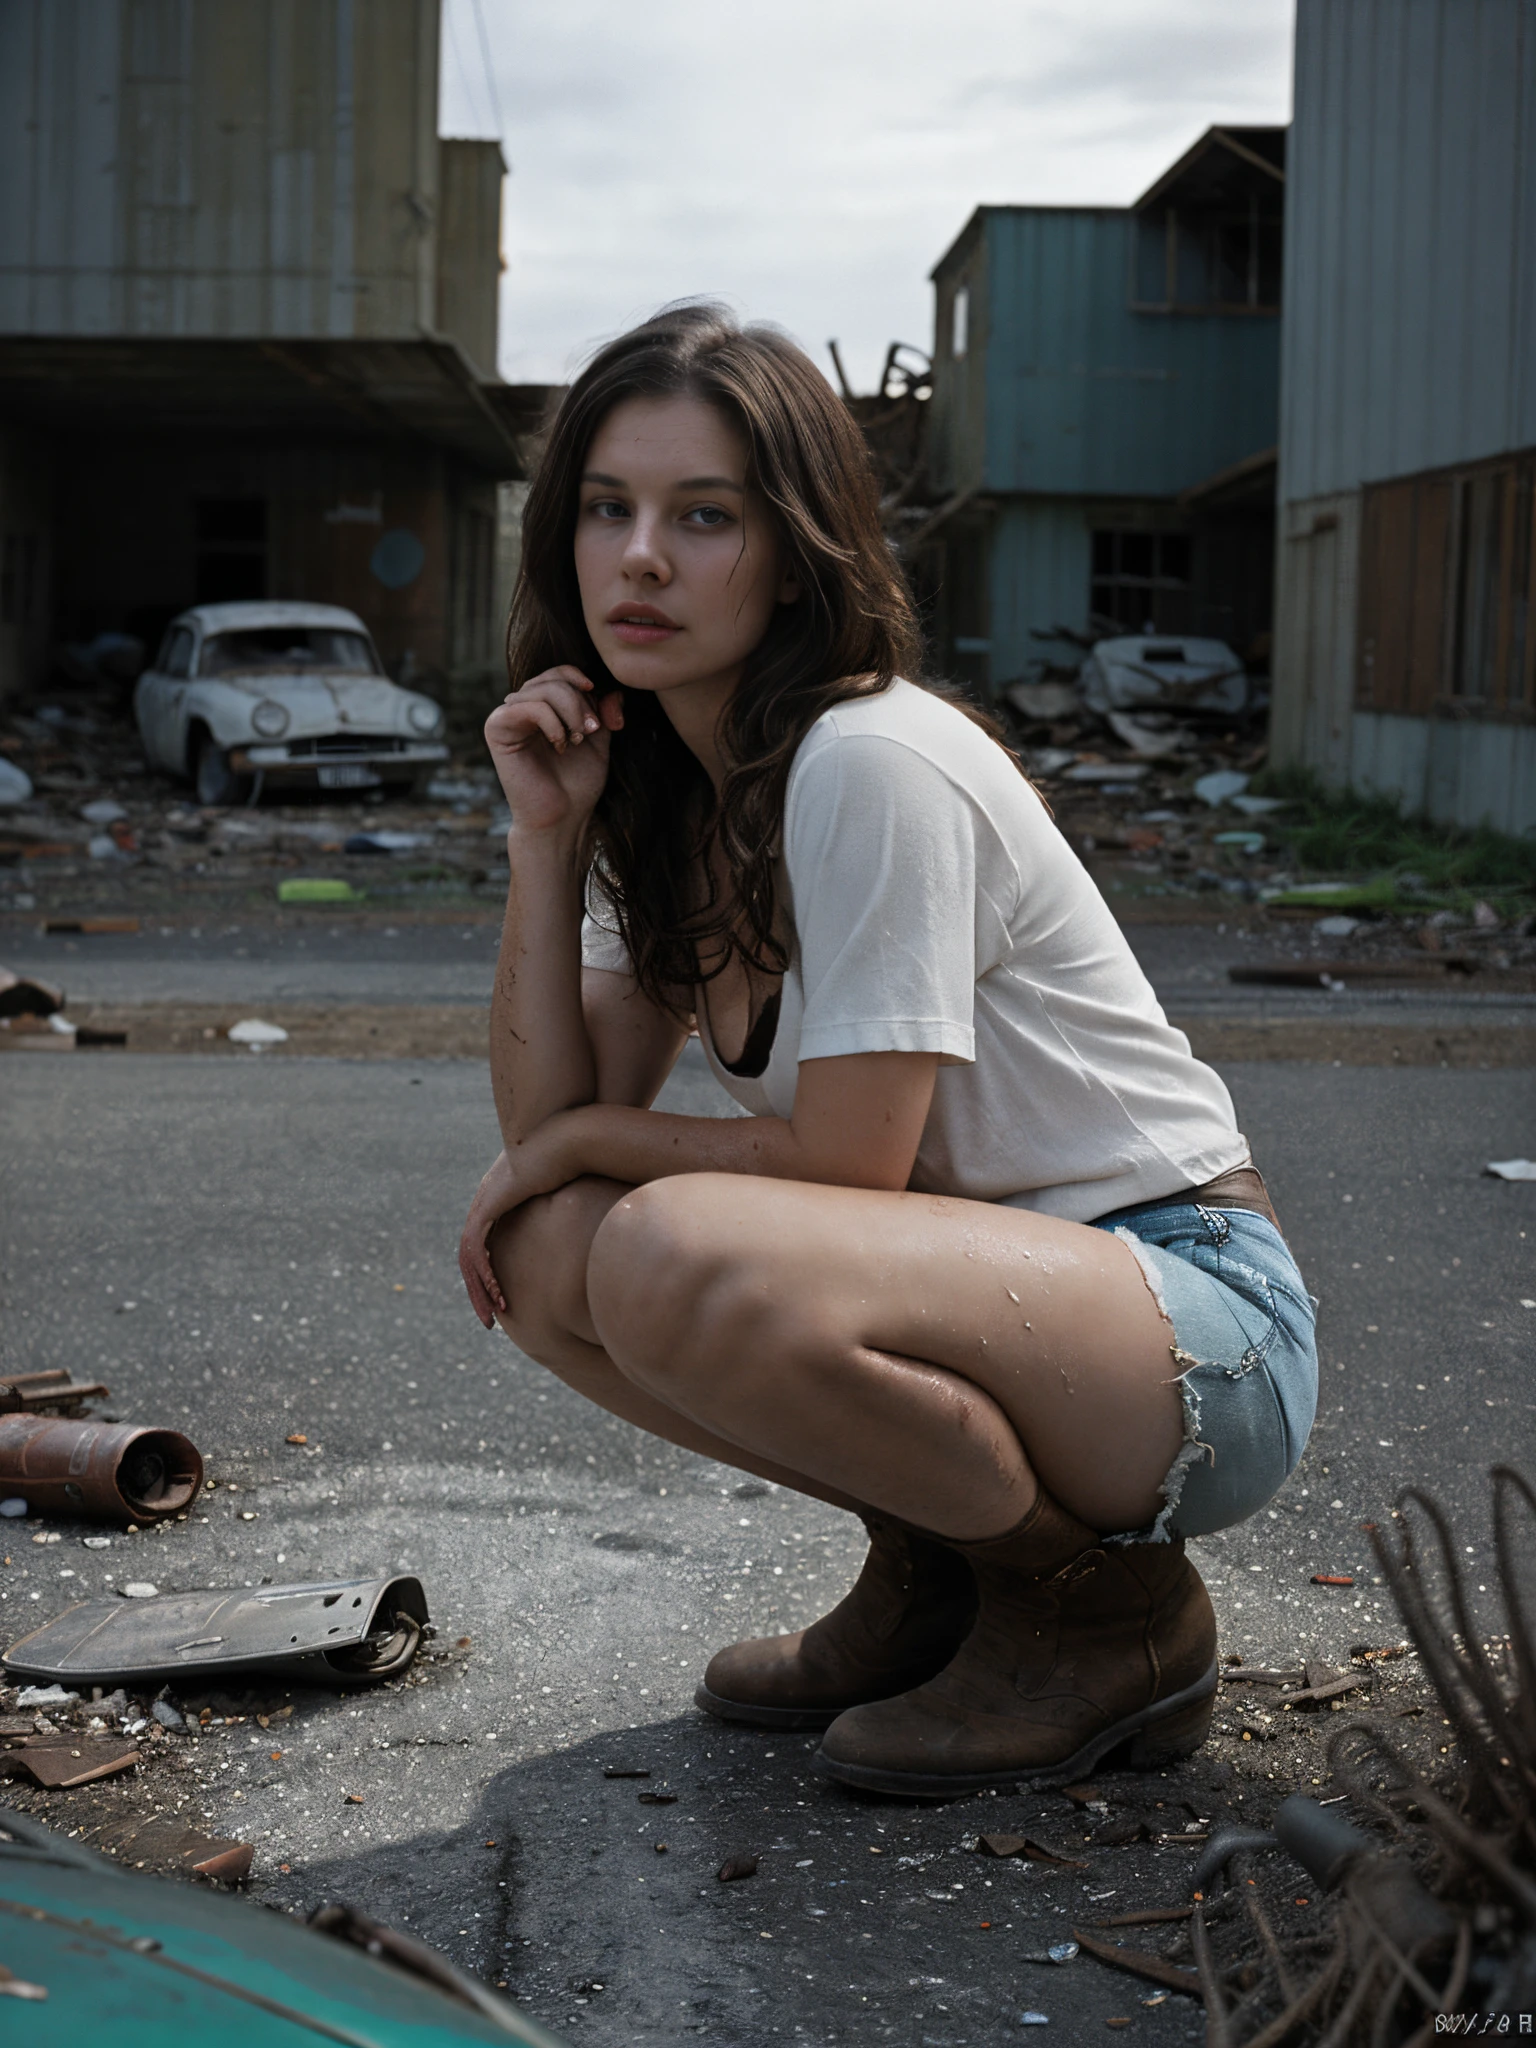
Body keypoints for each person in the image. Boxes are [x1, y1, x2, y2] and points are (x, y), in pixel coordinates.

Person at [457, 303, 1317, 1798]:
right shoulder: (653, 784)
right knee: (549, 1250)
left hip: (1191, 1322)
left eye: (702, 515)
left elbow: (837, 1166)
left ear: (793, 549)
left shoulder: (868, 758)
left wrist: (581, 1146)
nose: (640, 556)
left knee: (660, 1243)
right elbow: (550, 1122)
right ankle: (943, 1574)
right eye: (608, 508)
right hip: (988, 1308)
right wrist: (547, 841)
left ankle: (1106, 1616)